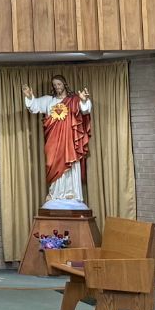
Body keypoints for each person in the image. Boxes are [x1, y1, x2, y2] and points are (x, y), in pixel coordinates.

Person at [21, 74, 92, 210]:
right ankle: (55, 193)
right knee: (52, 163)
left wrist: (83, 100)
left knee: (70, 163)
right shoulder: (49, 100)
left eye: (59, 84)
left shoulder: (73, 100)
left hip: (69, 141)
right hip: (53, 141)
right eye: (54, 85)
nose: (57, 87)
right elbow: (34, 106)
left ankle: (72, 193)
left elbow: (85, 110)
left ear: (64, 84)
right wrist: (29, 97)